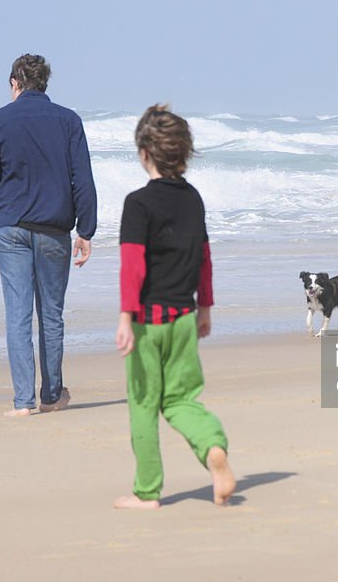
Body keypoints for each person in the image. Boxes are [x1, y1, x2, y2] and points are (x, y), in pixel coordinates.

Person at [114, 104, 235, 509]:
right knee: (182, 399)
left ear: (143, 153)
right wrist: (205, 309)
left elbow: (133, 265)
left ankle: (147, 492)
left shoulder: (138, 204)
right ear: (183, 154)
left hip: (148, 323)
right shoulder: (193, 200)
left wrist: (126, 317)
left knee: (144, 404)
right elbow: (203, 258)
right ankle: (212, 446)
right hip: (184, 317)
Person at [0, 53, 97, 417]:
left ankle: (23, 402)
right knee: (52, 315)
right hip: (55, 231)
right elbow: (83, 180)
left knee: (18, 315)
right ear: (44, 83)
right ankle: (53, 396)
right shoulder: (68, 121)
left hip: (11, 228)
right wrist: (85, 230)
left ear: (14, 83)